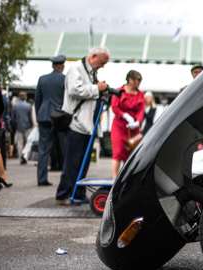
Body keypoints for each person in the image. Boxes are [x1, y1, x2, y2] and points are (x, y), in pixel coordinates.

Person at [56, 47, 110, 205]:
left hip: (86, 125)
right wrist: (96, 88)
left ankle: (78, 193)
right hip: (76, 123)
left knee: (83, 163)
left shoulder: (90, 71)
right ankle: (64, 194)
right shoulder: (76, 69)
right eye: (102, 62)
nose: (103, 66)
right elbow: (74, 90)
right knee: (72, 162)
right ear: (93, 57)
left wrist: (98, 88)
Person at [35, 54, 66, 186]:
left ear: (53, 65)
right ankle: (66, 181)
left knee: (43, 150)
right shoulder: (65, 79)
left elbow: (37, 100)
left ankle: (41, 179)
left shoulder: (42, 79)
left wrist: (39, 115)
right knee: (65, 149)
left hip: (44, 117)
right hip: (60, 117)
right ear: (62, 65)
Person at [110, 70, 144, 178]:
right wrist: (124, 115)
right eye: (136, 80)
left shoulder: (140, 94)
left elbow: (141, 110)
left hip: (133, 128)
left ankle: (126, 178)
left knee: (130, 154)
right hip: (119, 126)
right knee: (118, 151)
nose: (138, 83)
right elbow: (114, 107)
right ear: (129, 79)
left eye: (139, 81)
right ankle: (114, 178)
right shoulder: (119, 91)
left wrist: (138, 122)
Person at [11, 91, 35, 164]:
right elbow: (30, 117)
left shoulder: (15, 106)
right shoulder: (28, 106)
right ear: (26, 97)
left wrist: (14, 126)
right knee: (27, 143)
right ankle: (25, 157)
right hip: (28, 127)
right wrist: (32, 125)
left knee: (19, 144)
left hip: (18, 127)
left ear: (19, 97)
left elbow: (13, 118)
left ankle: (21, 157)